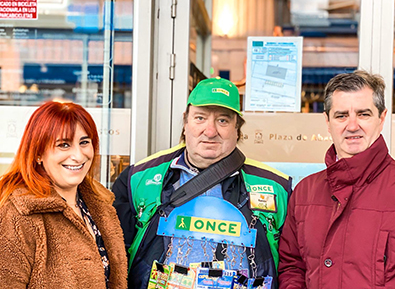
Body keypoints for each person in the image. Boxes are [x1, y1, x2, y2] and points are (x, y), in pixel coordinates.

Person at [112, 78, 292, 289]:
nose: (210, 131)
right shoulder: (139, 178)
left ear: (238, 129)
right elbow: (114, 256)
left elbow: (292, 265)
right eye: (200, 118)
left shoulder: (277, 187)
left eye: (223, 121)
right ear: (186, 123)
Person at [278, 70, 395, 288]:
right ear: (327, 121)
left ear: (381, 119)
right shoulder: (305, 192)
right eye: (341, 115)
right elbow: (292, 267)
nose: (352, 126)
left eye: (363, 114)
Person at [0, 101, 127, 289]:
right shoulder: (18, 214)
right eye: (64, 145)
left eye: (84, 142)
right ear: (38, 154)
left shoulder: (101, 206)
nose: (78, 155)